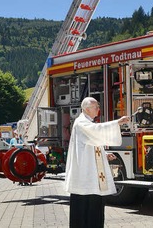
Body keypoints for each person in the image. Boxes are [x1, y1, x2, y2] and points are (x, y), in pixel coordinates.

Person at [64, 97, 129, 228]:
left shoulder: (87, 123)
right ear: (87, 109)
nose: (99, 109)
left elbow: (89, 146)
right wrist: (117, 123)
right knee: (86, 209)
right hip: (85, 176)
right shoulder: (81, 123)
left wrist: (104, 154)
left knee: (95, 206)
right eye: (96, 107)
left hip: (92, 175)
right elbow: (96, 131)